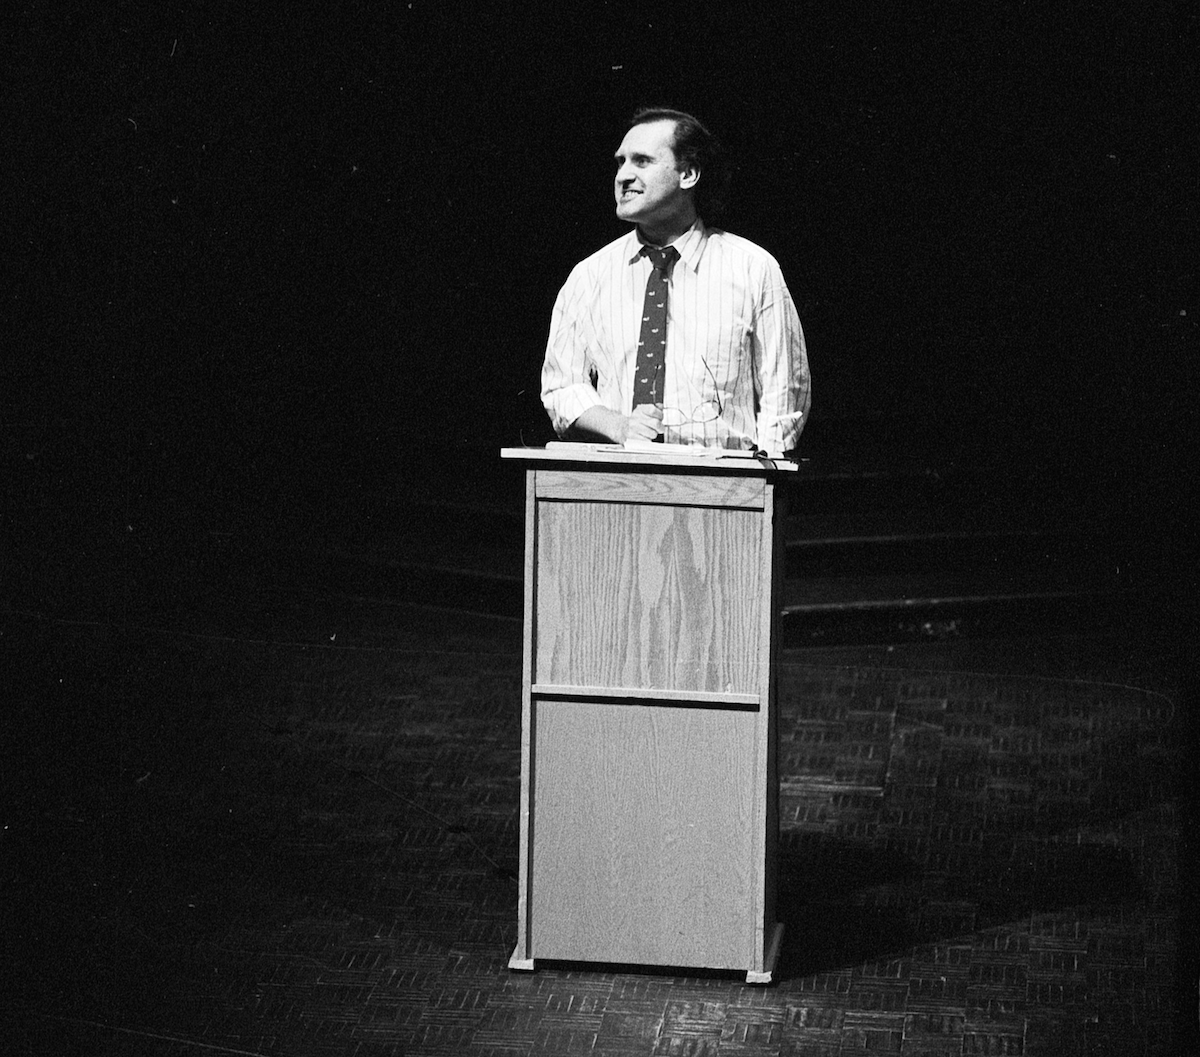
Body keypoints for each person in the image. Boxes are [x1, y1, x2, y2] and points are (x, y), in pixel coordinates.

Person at [540, 107, 811, 457]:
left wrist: (760, 487)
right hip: (617, 484)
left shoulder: (752, 268)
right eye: (620, 163)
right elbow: (561, 387)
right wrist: (619, 426)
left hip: (725, 489)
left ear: (689, 174)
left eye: (642, 161)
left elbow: (784, 393)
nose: (623, 175)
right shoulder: (589, 276)